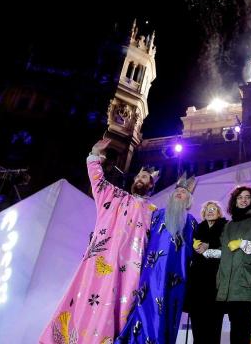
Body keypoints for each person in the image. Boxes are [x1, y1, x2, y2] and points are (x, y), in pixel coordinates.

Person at [40, 138, 158, 344]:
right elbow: (97, 179)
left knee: (120, 310)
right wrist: (94, 155)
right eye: (139, 174)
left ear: (151, 185)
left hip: (129, 270)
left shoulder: (154, 213)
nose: (140, 178)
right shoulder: (114, 196)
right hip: (99, 262)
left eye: (145, 177)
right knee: (85, 301)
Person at [115, 173, 197, 344]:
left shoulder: (192, 222)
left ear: (188, 199)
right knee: (145, 305)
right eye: (177, 191)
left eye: (183, 193)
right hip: (151, 270)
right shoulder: (156, 214)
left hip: (177, 276)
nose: (179, 193)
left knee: (169, 310)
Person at [216, 186, 251, 344]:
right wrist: (205, 250)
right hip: (229, 284)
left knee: (243, 327)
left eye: (247, 197)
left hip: (247, 281)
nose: (244, 200)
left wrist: (243, 243)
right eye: (240, 197)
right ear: (235, 201)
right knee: (235, 327)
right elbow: (222, 250)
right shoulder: (229, 225)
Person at [184, 201, 228, 344]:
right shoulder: (197, 229)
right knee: (197, 324)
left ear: (219, 213)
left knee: (214, 324)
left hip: (215, 280)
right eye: (207, 209)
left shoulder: (225, 227)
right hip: (197, 281)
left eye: (214, 209)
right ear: (203, 213)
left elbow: (227, 251)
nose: (210, 211)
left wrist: (207, 248)